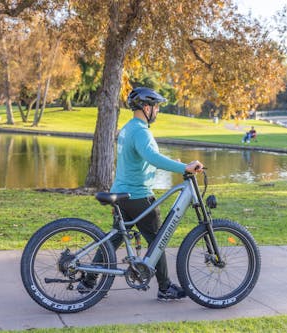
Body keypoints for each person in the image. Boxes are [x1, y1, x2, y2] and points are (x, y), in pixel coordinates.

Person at [78, 87, 203, 301]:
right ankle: (165, 288)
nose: (158, 112)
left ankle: (88, 282)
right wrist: (184, 168)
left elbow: (144, 158)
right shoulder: (141, 131)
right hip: (137, 196)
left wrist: (176, 164)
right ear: (147, 108)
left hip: (123, 193)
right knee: (158, 240)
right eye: (156, 107)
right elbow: (152, 157)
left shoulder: (129, 128)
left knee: (114, 239)